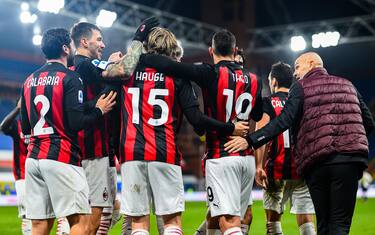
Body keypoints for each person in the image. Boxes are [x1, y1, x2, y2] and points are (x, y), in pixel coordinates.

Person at [225, 52, 375, 235]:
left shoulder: (301, 87)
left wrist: (250, 141)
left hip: (316, 162)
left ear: (311, 63)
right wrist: (349, 142)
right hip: (349, 163)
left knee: (324, 224)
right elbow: (368, 122)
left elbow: (283, 121)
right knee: (340, 224)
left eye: (297, 67)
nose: (295, 74)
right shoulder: (348, 84)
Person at [118, 27, 248, 235]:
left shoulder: (126, 72)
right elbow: (196, 120)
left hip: (131, 152)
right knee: (171, 222)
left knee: (139, 224)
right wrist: (229, 128)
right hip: (164, 151)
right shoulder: (177, 76)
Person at [20, 28, 116, 235]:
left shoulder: (29, 81)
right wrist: (99, 110)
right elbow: (76, 122)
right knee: (80, 222)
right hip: (60, 156)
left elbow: (26, 127)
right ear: (65, 48)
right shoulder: (70, 78)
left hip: (33, 158)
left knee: (39, 224)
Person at [70, 17, 159, 235]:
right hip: (91, 150)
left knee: (105, 213)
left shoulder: (80, 66)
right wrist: (138, 39)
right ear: (84, 42)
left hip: (97, 148)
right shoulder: (84, 64)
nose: (102, 44)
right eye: (98, 40)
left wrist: (110, 63)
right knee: (92, 218)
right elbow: (123, 72)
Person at [255, 62, 315, 235]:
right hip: (301, 169)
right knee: (306, 220)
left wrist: (258, 166)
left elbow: (261, 134)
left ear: (273, 81)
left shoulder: (268, 103)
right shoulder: (303, 103)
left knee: (273, 222)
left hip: (276, 169)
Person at [0, 99, 31, 235]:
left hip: (39, 175)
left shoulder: (40, 126)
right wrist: (17, 108)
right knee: (26, 216)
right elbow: (2, 127)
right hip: (22, 175)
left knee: (40, 215)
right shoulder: (16, 125)